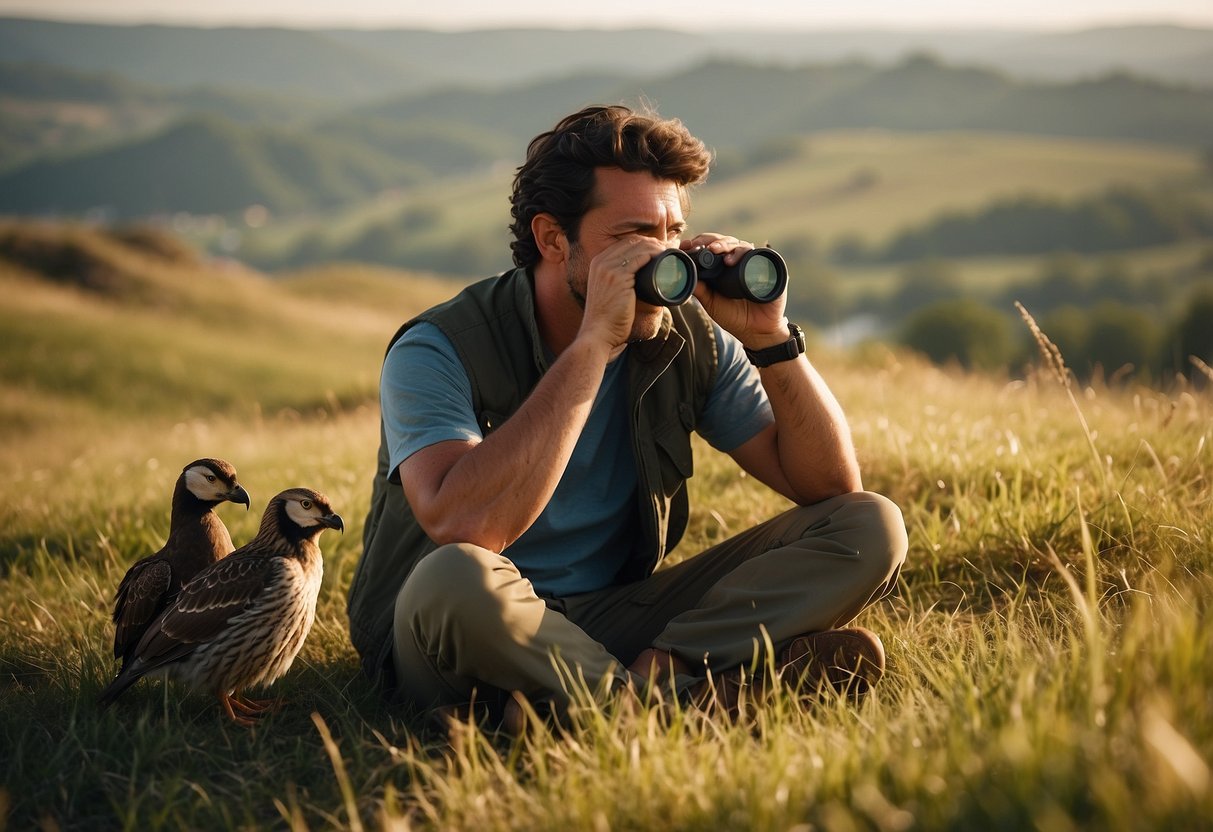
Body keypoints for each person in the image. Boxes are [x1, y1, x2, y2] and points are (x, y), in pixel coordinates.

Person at [347, 104, 907, 727]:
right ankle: (691, 703)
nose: (662, 260)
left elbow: (829, 488)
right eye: (632, 238)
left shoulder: (688, 337)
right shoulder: (439, 348)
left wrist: (769, 339)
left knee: (871, 525)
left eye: (671, 235)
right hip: (460, 630)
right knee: (454, 575)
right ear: (552, 239)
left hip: (614, 617)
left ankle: (616, 697)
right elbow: (465, 523)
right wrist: (593, 346)